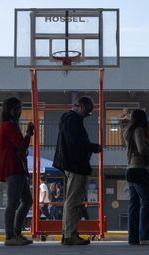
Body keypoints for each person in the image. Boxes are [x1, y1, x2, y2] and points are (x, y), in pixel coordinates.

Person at [53, 96, 102, 246]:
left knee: (72, 199)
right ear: (80, 106)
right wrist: (93, 147)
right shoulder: (73, 119)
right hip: (75, 164)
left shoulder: (68, 119)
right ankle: (70, 234)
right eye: (87, 111)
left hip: (71, 164)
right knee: (73, 200)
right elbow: (76, 142)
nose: (87, 115)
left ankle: (67, 233)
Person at [0, 97, 33, 246]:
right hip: (14, 169)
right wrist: (29, 134)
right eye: (18, 109)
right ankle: (10, 235)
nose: (20, 112)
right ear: (11, 110)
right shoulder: (9, 126)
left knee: (27, 201)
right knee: (13, 203)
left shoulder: (8, 126)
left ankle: (16, 232)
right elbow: (21, 145)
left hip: (18, 168)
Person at [124, 109, 149, 245]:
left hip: (129, 170)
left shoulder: (128, 132)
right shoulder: (139, 130)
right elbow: (142, 149)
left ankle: (133, 238)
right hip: (139, 169)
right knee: (147, 202)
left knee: (133, 205)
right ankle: (145, 236)